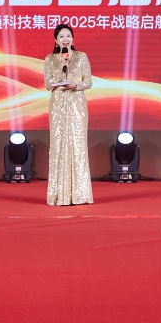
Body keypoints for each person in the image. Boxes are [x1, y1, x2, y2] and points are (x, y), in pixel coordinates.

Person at [44, 24, 94, 206]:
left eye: (68, 36)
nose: (65, 39)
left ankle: (79, 195)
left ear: (73, 39)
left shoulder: (81, 56)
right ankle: (59, 194)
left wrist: (76, 85)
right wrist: (60, 68)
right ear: (56, 40)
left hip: (77, 104)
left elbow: (88, 82)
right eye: (61, 36)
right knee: (59, 145)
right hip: (58, 105)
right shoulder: (50, 59)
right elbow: (48, 85)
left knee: (77, 145)